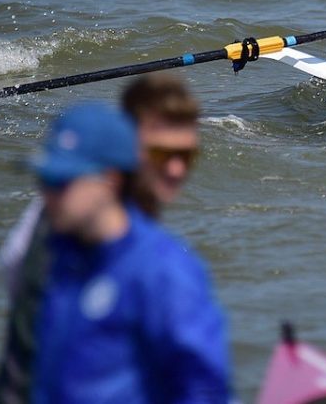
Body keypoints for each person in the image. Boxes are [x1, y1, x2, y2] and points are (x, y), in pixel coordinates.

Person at [0, 73, 205, 402]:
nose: (177, 171)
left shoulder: (108, 214)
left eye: (188, 157)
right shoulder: (71, 217)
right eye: (162, 155)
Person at [30, 102, 230, 403]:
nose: (47, 194)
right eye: (44, 179)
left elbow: (203, 391)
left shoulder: (163, 270)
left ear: (111, 179)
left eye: (61, 181)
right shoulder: (58, 259)